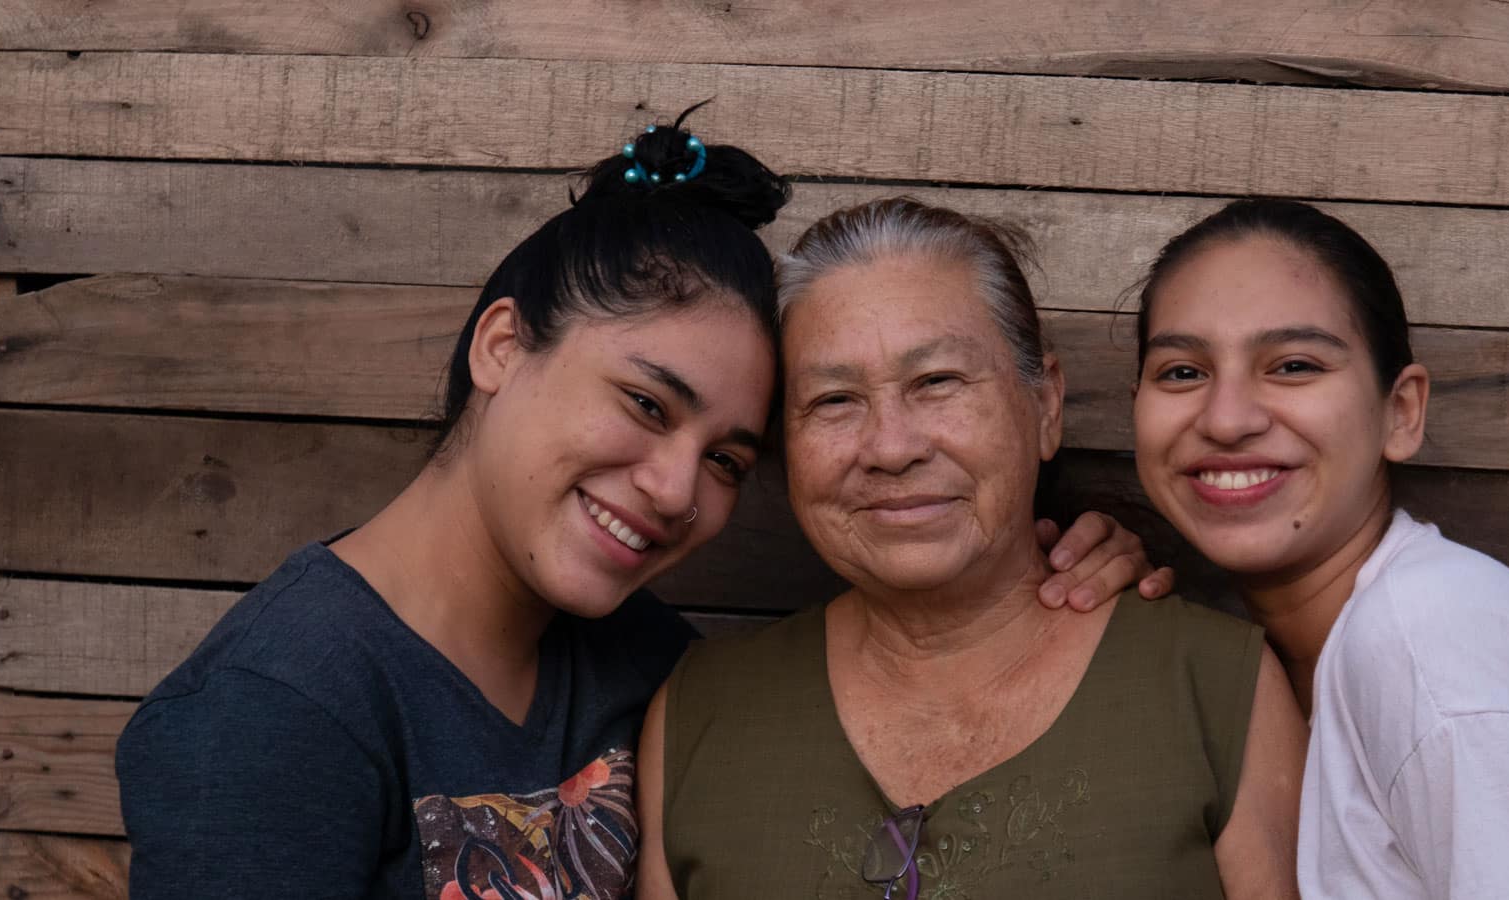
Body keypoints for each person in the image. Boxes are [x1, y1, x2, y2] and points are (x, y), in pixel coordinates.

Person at [116, 117, 1163, 900]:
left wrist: (1040, 575)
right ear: (501, 348)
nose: (674, 489)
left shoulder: (649, 669)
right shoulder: (272, 711)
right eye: (645, 402)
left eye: (725, 458)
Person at [637, 198, 1307, 900]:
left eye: (937, 382)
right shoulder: (698, 716)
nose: (890, 448)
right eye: (834, 400)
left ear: (1046, 405)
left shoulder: (1210, 686)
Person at [1128, 198, 1509, 899]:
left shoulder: (1427, 643)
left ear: (1401, 412)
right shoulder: (1311, 649)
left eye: (1294, 365)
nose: (1226, 418)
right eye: (1182, 371)